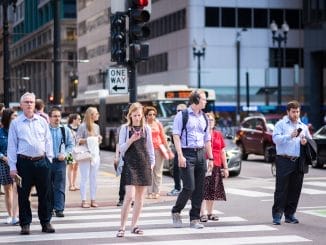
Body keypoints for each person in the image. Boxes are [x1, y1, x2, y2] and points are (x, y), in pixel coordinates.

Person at [8, 92, 55, 235]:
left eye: (31, 102)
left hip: (42, 162)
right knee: (23, 195)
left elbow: (48, 141)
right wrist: (13, 167)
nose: (29, 104)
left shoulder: (42, 121)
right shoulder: (16, 123)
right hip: (23, 164)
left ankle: (46, 222)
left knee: (45, 194)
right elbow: (12, 146)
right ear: (21, 105)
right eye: (26, 102)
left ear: (35, 104)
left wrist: (49, 160)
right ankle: (25, 224)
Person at [171, 90, 214, 229]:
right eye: (203, 99)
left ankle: (194, 219)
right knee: (189, 187)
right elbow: (176, 136)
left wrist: (211, 158)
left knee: (199, 189)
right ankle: (176, 211)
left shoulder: (205, 118)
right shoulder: (182, 115)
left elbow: (207, 139)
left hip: (201, 153)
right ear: (196, 100)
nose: (206, 102)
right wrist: (180, 155)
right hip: (186, 153)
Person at [116, 102, 155, 237]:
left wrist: (152, 163)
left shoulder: (146, 129)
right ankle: (122, 227)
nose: (137, 117)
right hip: (130, 164)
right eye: (135, 115)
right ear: (130, 115)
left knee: (140, 198)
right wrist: (131, 140)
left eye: (139, 115)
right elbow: (121, 149)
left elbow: (150, 147)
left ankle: (134, 225)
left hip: (144, 164)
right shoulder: (125, 129)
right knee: (129, 196)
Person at [272, 100, 312, 225]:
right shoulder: (281, 124)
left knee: (295, 189)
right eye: (293, 112)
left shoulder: (303, 127)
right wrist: (289, 136)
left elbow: (310, 142)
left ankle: (290, 215)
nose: (296, 114)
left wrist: (305, 142)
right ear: (288, 112)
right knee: (281, 189)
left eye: (298, 111)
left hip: (298, 161)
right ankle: (277, 215)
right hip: (284, 159)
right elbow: (275, 139)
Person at [200, 112, 229, 222]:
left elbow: (222, 151)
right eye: (207, 120)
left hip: (216, 164)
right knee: (202, 189)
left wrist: (225, 168)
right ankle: (202, 213)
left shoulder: (218, 134)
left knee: (212, 190)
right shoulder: (201, 133)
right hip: (204, 163)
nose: (209, 122)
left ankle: (210, 213)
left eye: (211, 120)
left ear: (214, 122)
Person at [49, 107, 74, 217]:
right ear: (49, 118)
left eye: (59, 116)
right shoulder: (45, 129)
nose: (57, 118)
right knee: (47, 186)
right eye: (54, 116)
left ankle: (59, 209)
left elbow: (71, 145)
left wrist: (65, 154)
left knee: (60, 186)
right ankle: (49, 208)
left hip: (60, 162)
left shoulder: (65, 130)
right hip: (47, 162)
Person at [76, 107, 102, 208]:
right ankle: (83, 200)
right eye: (96, 113)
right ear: (91, 115)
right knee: (84, 177)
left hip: (95, 155)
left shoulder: (97, 126)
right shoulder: (82, 126)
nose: (98, 115)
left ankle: (93, 199)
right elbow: (78, 140)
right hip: (85, 154)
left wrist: (98, 139)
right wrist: (90, 139)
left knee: (94, 178)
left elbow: (97, 141)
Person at [145, 106, 171, 199]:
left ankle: (156, 192)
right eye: (150, 115)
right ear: (146, 116)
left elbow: (163, 137)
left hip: (158, 149)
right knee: (149, 171)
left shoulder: (158, 124)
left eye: (154, 114)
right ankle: (149, 192)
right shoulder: (144, 125)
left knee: (158, 172)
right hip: (147, 151)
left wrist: (168, 149)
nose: (152, 116)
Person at [0, 109, 19, 225]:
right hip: (4, 163)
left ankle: (17, 214)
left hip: (18, 163)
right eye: (14, 117)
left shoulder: (19, 131)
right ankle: (10, 215)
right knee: (8, 190)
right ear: (7, 119)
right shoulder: (1, 132)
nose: (16, 118)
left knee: (19, 189)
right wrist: (3, 157)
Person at [167, 103, 187, 196]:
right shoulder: (175, 121)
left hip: (188, 149)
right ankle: (177, 187)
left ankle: (188, 189)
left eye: (181, 111)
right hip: (178, 149)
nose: (179, 112)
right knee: (176, 169)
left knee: (188, 170)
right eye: (178, 110)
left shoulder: (189, 120)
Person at [67, 113, 81, 191]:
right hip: (70, 150)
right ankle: (70, 185)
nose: (80, 120)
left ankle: (74, 184)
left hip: (78, 150)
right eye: (78, 119)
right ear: (74, 120)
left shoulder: (80, 128)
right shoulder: (67, 128)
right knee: (71, 166)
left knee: (76, 167)